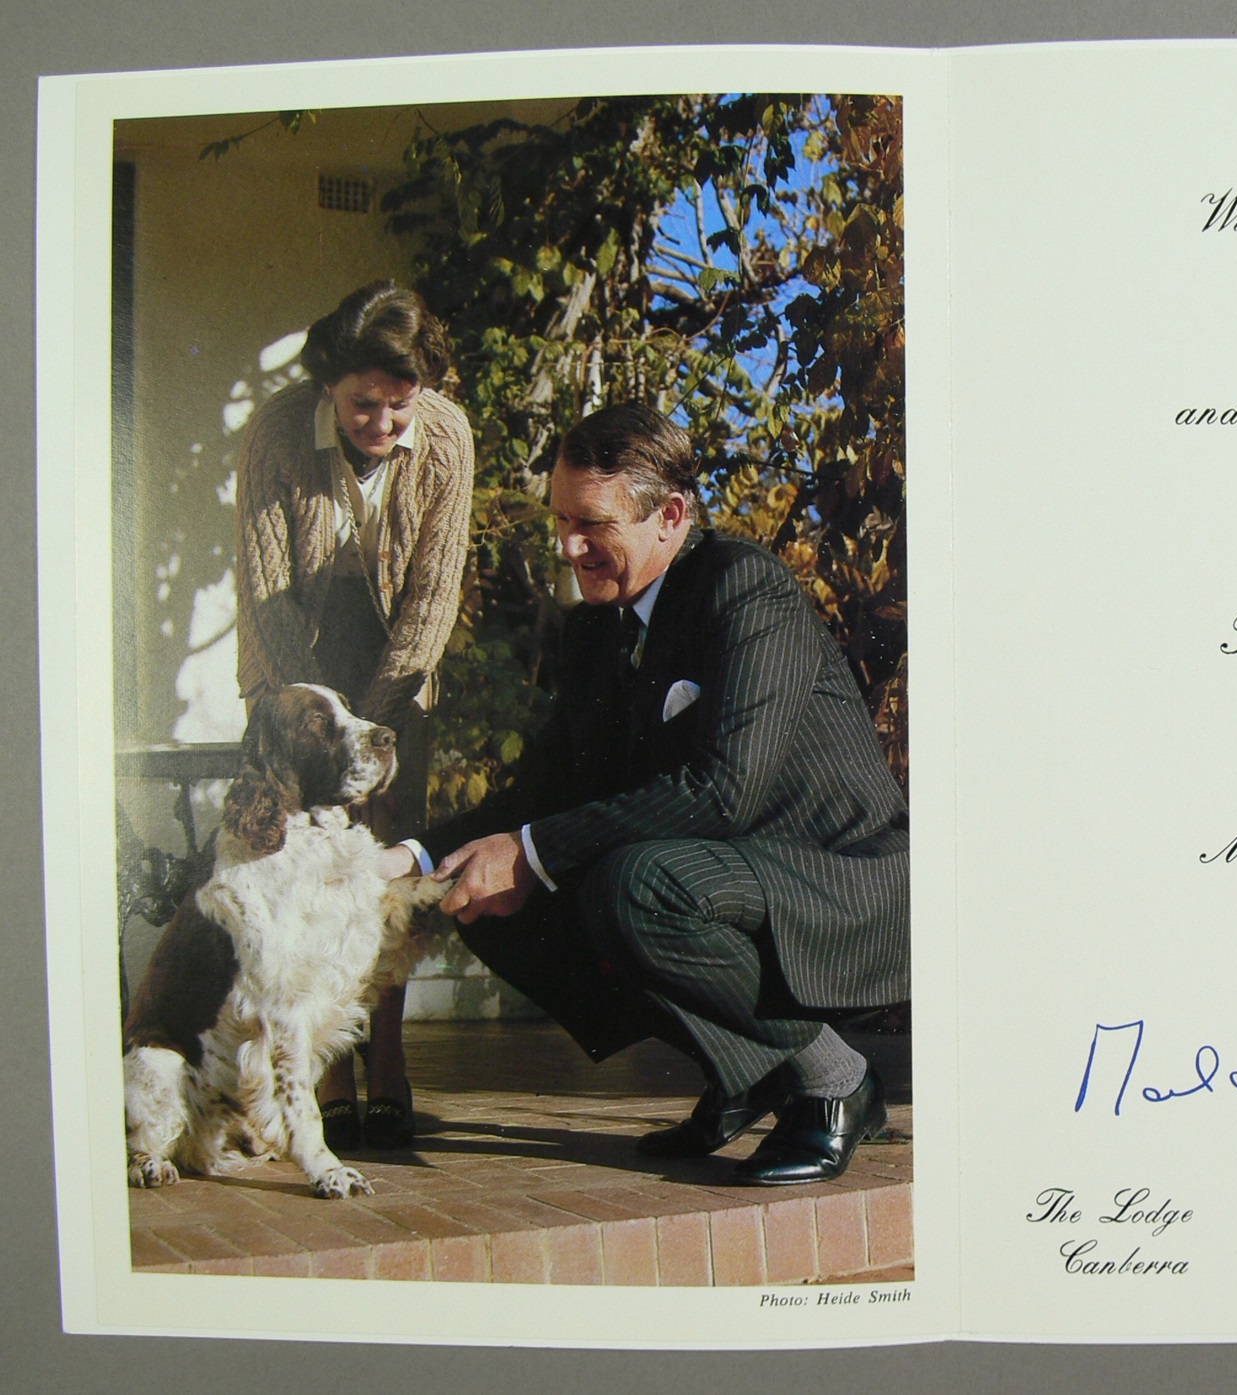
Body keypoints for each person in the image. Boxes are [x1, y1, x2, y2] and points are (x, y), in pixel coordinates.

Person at [382, 401, 908, 1185]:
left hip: (841, 876)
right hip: (733, 873)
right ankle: (752, 1070)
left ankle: (836, 1080)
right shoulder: (596, 630)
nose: (568, 546)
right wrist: (420, 854)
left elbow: (723, 791)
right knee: (480, 892)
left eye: (592, 523)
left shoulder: (744, 590)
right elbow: (547, 786)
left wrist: (531, 852)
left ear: (669, 515)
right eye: (560, 520)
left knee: (634, 884)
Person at [235, 281, 474, 1151]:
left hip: (395, 671)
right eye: (362, 404)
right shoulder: (275, 432)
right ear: (327, 385)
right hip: (297, 666)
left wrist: (367, 730)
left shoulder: (446, 434)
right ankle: (325, 1062)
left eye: (397, 407)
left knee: (383, 865)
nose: (381, 423)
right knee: (305, 869)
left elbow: (432, 594)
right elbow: (263, 591)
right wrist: (316, 731)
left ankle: (388, 1056)